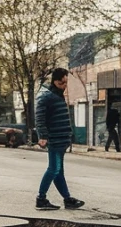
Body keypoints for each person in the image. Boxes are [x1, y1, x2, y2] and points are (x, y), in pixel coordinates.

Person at [34, 68, 84, 210]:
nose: (65, 85)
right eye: (62, 82)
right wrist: (42, 136)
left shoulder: (58, 95)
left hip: (62, 139)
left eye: (66, 82)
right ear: (55, 81)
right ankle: (41, 199)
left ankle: (68, 199)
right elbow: (39, 118)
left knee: (58, 171)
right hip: (54, 139)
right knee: (53, 169)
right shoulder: (46, 96)